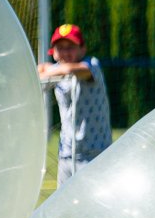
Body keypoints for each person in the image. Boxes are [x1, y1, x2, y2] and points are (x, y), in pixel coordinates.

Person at [40, 22, 111, 185]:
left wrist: (47, 69)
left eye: (70, 47)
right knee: (64, 205)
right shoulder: (56, 70)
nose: (65, 52)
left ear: (82, 49)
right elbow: (39, 72)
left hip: (95, 153)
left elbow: (70, 70)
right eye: (60, 48)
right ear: (54, 53)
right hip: (66, 152)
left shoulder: (91, 65)